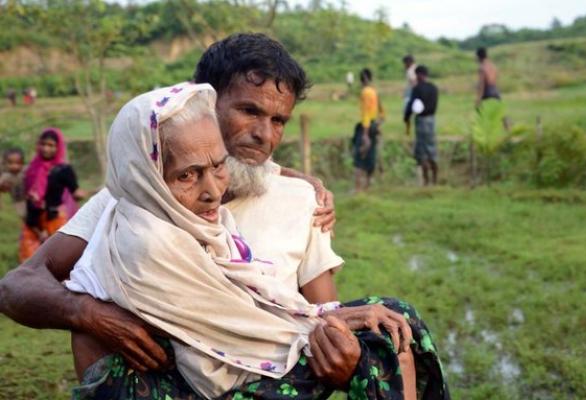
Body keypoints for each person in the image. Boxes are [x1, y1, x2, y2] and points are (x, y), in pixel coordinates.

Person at [0, 34, 448, 399]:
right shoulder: (131, 200)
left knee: (391, 326)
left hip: (266, 377)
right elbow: (17, 286)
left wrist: (340, 358)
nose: (264, 134)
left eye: (279, 120)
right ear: (202, 104)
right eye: (249, 110)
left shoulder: (298, 198)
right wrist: (87, 313)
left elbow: (322, 316)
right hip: (167, 385)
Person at [18, 128, 85, 262]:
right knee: (29, 263)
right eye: (43, 144)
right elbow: (26, 196)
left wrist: (90, 193)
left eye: (51, 145)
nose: (45, 149)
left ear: (58, 147)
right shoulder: (32, 169)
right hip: (33, 222)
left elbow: (76, 193)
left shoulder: (64, 170)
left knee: (56, 262)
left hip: (55, 221)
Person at [404, 65, 439, 186]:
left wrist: (406, 119)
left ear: (419, 75)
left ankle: (426, 181)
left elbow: (411, 106)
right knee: (432, 149)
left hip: (421, 121)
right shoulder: (434, 88)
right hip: (432, 120)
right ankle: (435, 179)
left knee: (422, 152)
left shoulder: (417, 89)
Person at [352, 68, 384, 192]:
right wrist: (377, 125)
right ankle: (367, 187)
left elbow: (365, 114)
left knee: (360, 157)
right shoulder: (375, 92)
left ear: (363, 78)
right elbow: (382, 113)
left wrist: (365, 135)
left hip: (366, 128)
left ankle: (358, 188)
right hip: (374, 126)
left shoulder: (365, 92)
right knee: (371, 157)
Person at [0, 147, 26, 218]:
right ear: (5, 164)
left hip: (29, 199)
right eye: (10, 163)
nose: (15, 166)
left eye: (18, 163)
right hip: (17, 201)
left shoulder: (25, 171)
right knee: (24, 216)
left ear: (22, 163)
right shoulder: (6, 176)